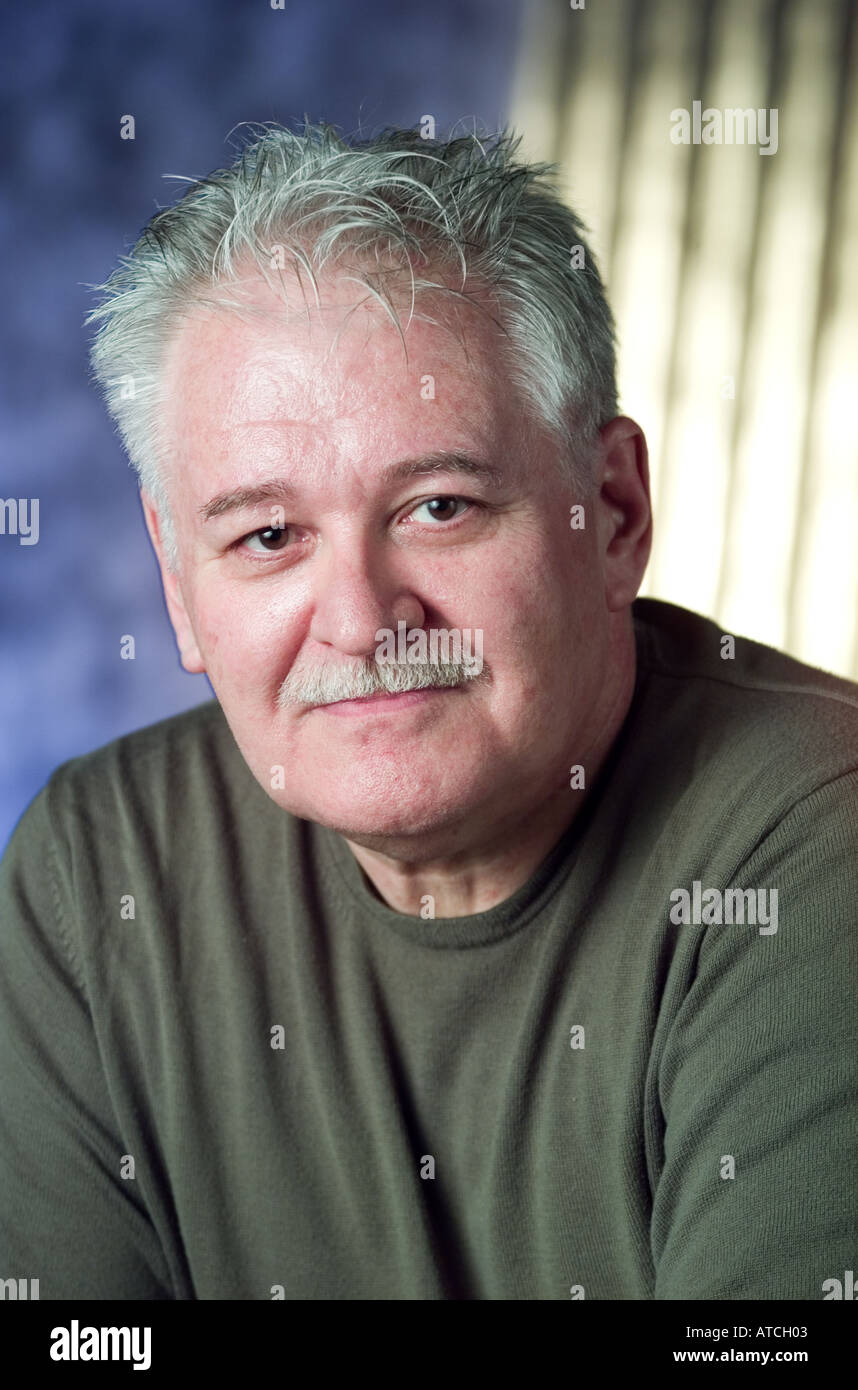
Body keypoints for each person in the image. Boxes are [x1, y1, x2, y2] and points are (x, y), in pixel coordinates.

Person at [1, 122, 855, 1301]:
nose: (360, 620)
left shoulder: (817, 840)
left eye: (440, 505)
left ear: (611, 515)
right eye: (266, 536)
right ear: (177, 587)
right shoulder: (93, 876)